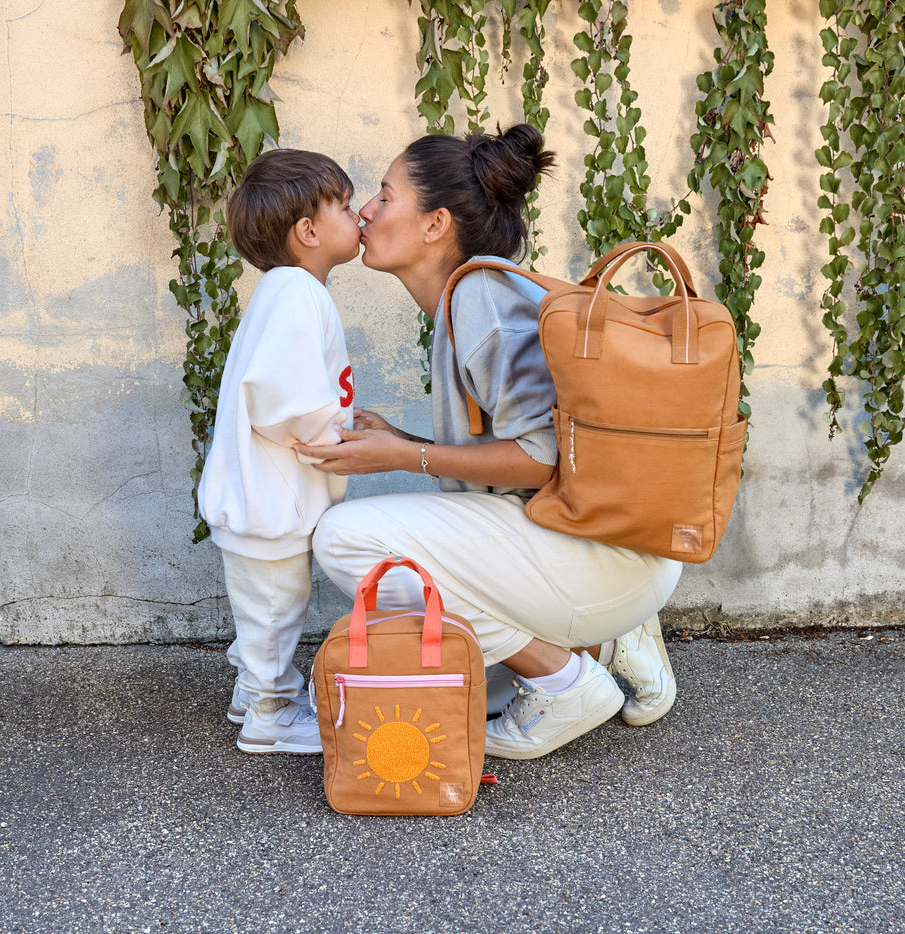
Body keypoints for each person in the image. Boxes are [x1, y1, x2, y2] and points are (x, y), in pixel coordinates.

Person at [296, 124, 681, 760]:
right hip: (596, 542)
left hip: (604, 556)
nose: (365, 210)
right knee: (469, 678)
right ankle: (611, 641)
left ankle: (568, 683)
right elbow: (526, 452)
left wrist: (405, 456)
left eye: (385, 197)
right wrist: (406, 439)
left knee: (345, 540)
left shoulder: (483, 303)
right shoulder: (472, 297)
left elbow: (543, 458)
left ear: (434, 224)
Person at [197, 149, 363, 755]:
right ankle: (270, 712)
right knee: (274, 610)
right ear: (309, 231)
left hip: (265, 496)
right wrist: (331, 434)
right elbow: (279, 396)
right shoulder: (297, 291)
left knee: (266, 609)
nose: (359, 217)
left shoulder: (286, 289)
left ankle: (252, 689)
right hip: (270, 500)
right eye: (345, 207)